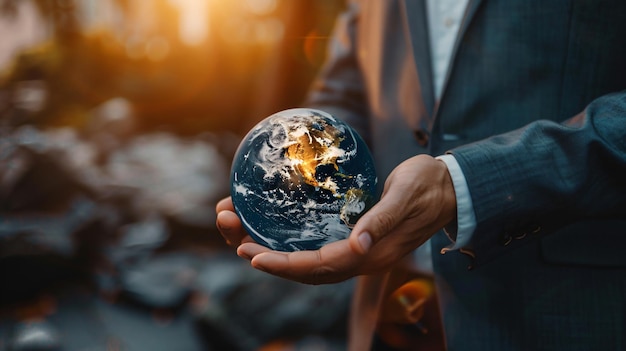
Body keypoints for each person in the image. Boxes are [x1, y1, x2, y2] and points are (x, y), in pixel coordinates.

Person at [217, 0, 626, 350]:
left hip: (557, 310)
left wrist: (464, 183)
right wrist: (296, 179)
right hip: (386, 306)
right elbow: (347, 93)